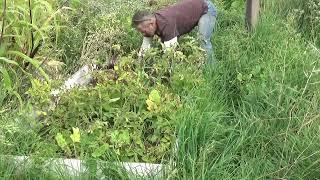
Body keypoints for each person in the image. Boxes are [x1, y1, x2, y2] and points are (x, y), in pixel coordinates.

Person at [132, 0, 217, 64]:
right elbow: (145, 48)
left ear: (151, 23)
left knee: (202, 39)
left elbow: (170, 54)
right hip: (193, 7)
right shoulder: (151, 25)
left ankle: (212, 67)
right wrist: (138, 66)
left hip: (206, 8)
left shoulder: (166, 24)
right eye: (140, 31)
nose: (143, 34)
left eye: (143, 31)